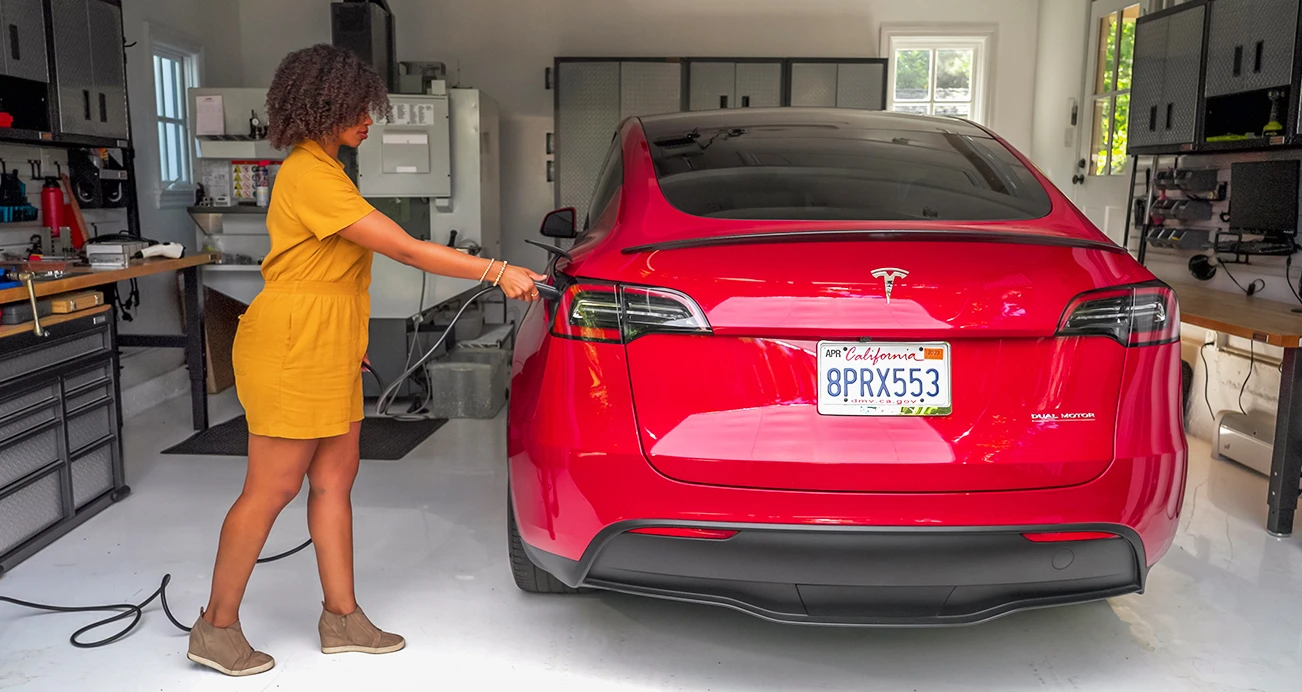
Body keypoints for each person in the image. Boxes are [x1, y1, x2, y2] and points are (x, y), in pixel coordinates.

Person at [186, 44, 545, 677]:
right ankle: (216, 628)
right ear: (321, 106)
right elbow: (404, 249)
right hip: (293, 344)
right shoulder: (308, 174)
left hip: (325, 342)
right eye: (358, 109)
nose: (369, 120)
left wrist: (346, 345)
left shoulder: (330, 170)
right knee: (271, 488)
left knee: (335, 479)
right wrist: (496, 271)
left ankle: (342, 618)